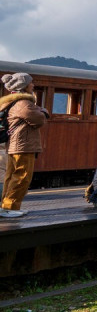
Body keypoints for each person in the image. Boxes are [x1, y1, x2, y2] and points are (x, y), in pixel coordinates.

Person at [0, 73, 48, 218]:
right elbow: (38, 119)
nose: (33, 85)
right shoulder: (23, 103)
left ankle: (6, 206)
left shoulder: (13, 102)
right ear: (24, 86)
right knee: (22, 176)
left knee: (11, 176)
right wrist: (43, 112)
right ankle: (11, 207)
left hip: (16, 144)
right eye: (31, 83)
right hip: (23, 145)